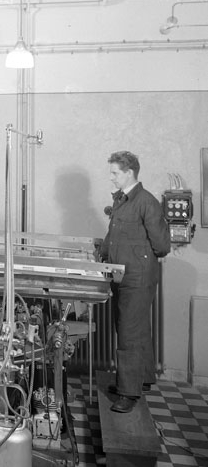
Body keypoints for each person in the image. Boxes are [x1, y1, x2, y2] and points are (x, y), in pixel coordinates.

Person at [99, 151, 171, 413]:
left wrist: (137, 259)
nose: (111, 177)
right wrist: (101, 255)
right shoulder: (122, 200)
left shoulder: (146, 202)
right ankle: (143, 378)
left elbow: (162, 246)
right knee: (135, 329)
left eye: (115, 173)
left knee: (129, 332)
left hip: (137, 278)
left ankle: (128, 392)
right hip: (122, 275)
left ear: (129, 173)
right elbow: (113, 236)